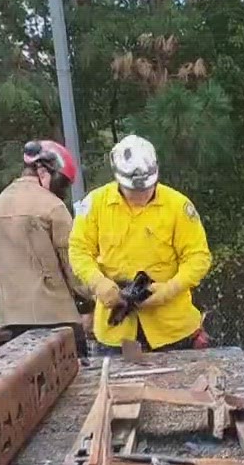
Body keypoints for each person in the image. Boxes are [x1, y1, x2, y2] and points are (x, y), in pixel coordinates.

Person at [68, 135, 211, 354]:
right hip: (116, 331)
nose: (141, 195)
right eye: (133, 191)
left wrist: (168, 290)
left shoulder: (178, 206)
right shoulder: (95, 204)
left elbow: (198, 258)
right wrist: (98, 283)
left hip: (173, 329)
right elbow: (79, 250)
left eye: (146, 189)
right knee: (119, 387)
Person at [0, 139, 88, 356]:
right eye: (63, 183)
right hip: (57, 319)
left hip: (13, 321)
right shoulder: (52, 207)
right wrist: (99, 295)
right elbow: (73, 267)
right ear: (44, 171)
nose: (63, 191)